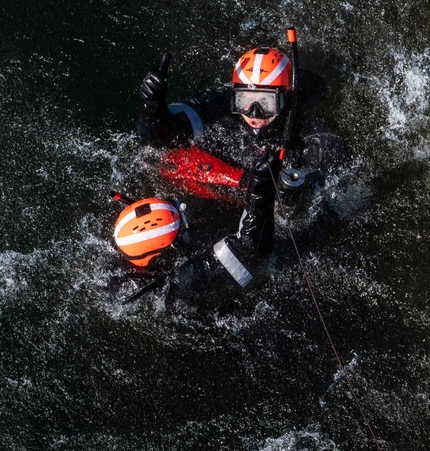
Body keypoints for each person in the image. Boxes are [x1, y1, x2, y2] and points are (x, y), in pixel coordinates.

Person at [132, 37, 344, 296]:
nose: (254, 113)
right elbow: (163, 140)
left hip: (260, 223)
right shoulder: (221, 103)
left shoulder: (315, 133)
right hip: (226, 192)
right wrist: (151, 112)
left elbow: (323, 195)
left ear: (285, 99)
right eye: (245, 100)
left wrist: (293, 193)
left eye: (266, 103)